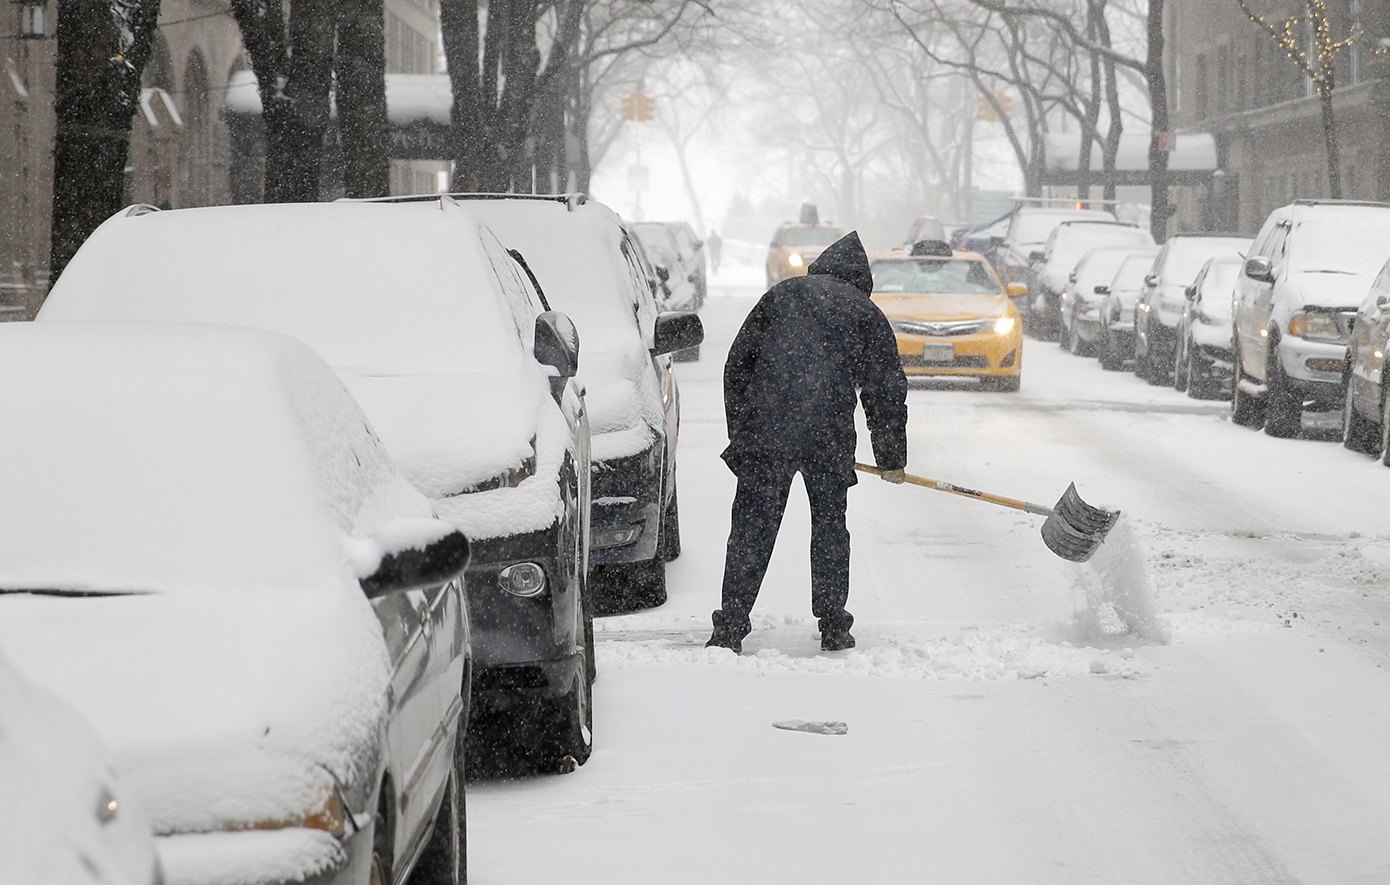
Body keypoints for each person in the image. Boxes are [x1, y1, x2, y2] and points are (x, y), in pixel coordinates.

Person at [707, 230, 908, 654]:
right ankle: (834, 625)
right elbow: (884, 390)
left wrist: (742, 430)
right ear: (860, 278)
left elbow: (737, 365)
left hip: (767, 434)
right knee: (830, 529)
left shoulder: (780, 297)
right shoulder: (865, 313)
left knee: (751, 531)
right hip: (828, 438)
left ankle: (730, 626)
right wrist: (891, 457)